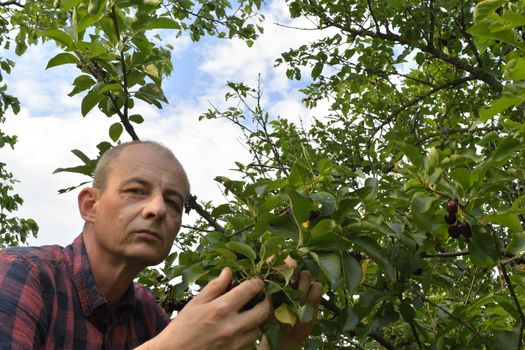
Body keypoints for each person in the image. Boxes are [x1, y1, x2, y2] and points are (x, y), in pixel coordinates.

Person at [0, 140, 322, 349]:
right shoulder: (22, 274)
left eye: (173, 202)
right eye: (136, 191)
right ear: (90, 205)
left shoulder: (146, 314)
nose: (158, 210)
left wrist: (280, 344)